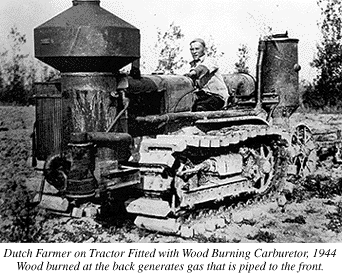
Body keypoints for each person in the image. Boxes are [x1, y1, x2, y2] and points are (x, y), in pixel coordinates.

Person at [185, 38, 229, 111]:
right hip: (203, 96)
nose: (194, 52)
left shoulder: (210, 61)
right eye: (192, 49)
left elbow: (201, 70)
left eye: (197, 49)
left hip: (217, 97)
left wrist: (190, 74)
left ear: (204, 49)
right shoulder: (192, 65)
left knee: (200, 108)